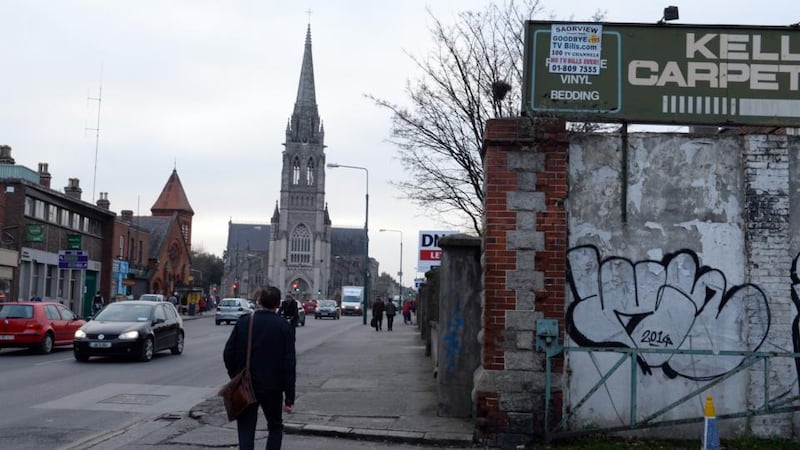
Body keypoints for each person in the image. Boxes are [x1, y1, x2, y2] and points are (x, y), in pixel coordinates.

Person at [224, 286, 296, 450]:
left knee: (246, 428)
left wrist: (235, 375)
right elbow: (289, 364)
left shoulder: (244, 322)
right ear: (278, 304)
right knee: (275, 427)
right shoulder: (284, 326)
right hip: (273, 387)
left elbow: (228, 353)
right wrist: (289, 396)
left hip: (247, 384)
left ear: (259, 301)